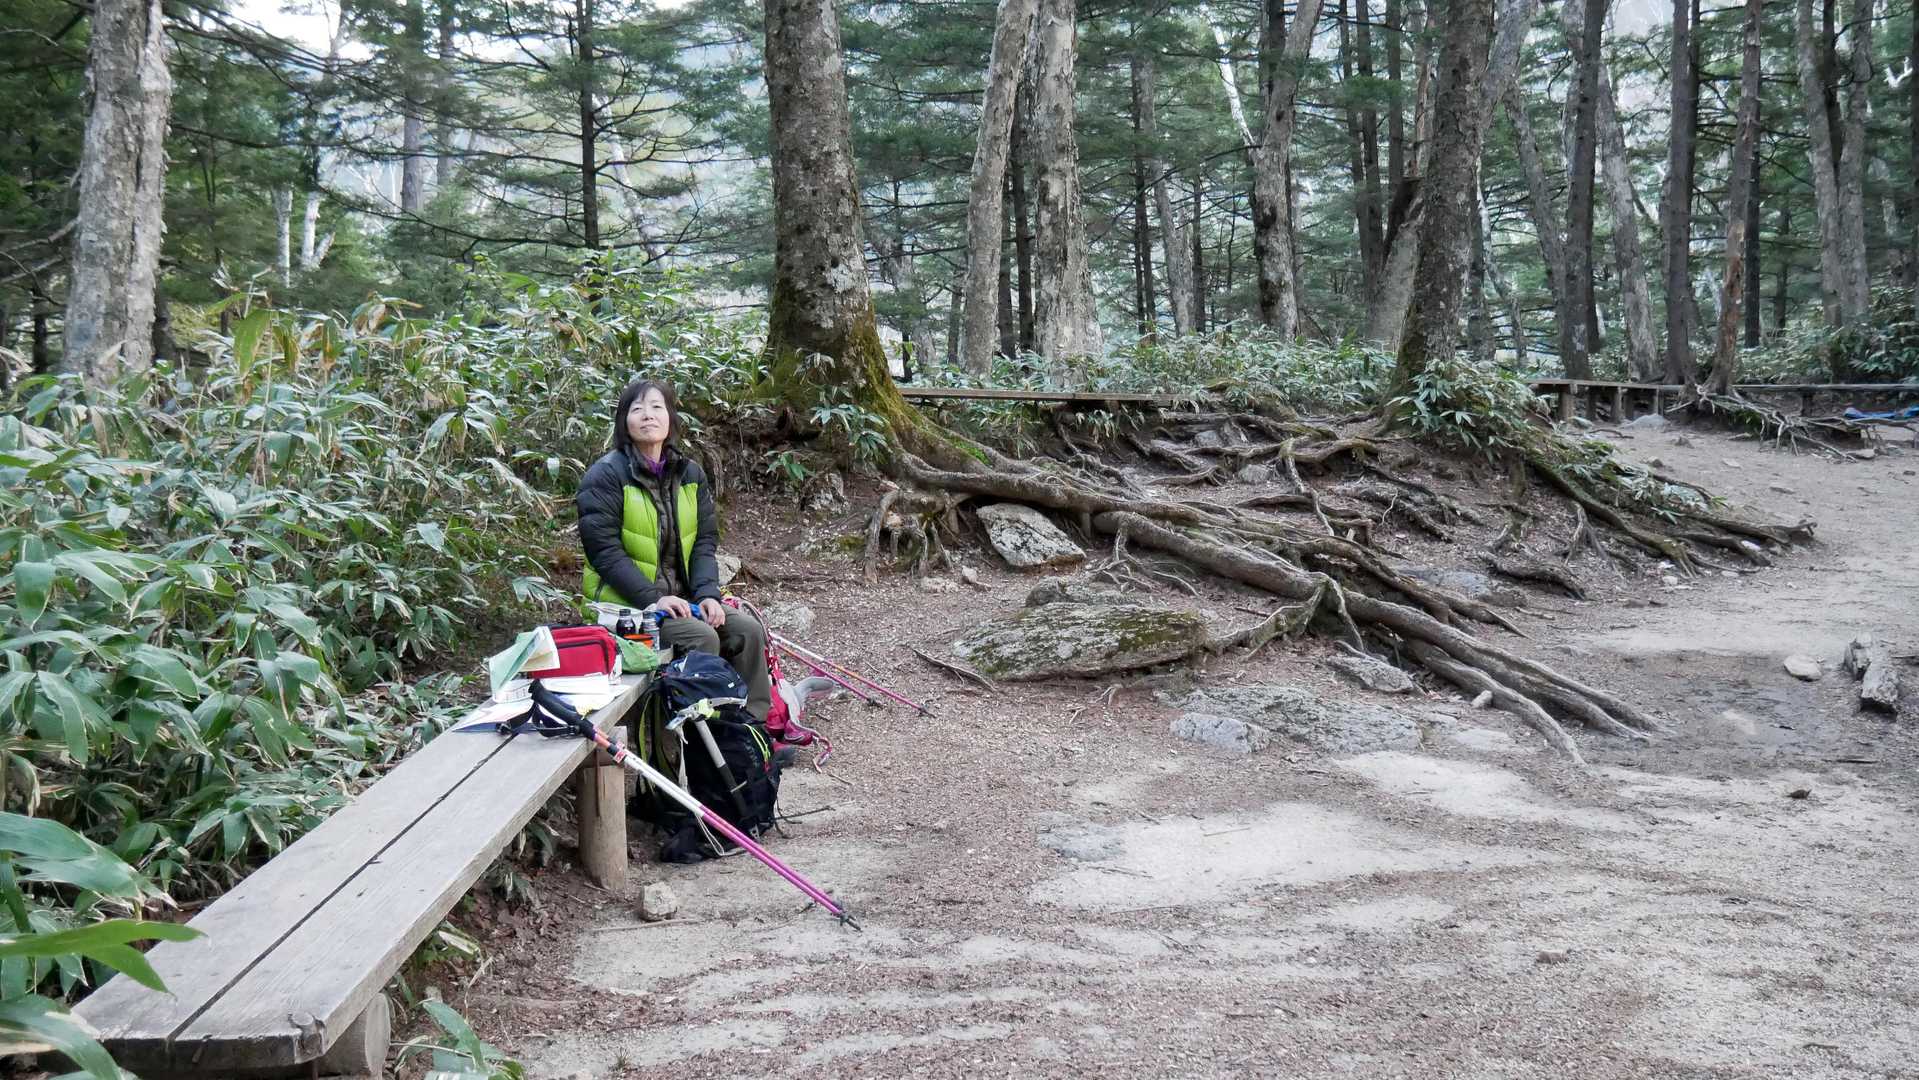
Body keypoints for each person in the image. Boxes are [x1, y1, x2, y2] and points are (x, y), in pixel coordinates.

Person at [576, 378, 772, 723]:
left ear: (670, 418)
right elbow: (604, 553)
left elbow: (704, 543)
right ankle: (700, 741)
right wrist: (654, 599)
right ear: (624, 421)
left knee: (747, 631)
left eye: (656, 407)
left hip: (683, 601)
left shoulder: (689, 474)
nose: (647, 415)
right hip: (627, 609)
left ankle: (750, 732)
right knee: (701, 637)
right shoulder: (605, 476)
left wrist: (708, 595)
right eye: (637, 408)